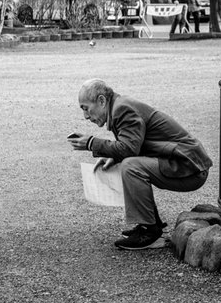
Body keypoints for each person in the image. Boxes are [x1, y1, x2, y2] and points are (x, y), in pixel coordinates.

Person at [69, 79, 212, 250]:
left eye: (86, 108)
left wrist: (93, 143)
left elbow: (129, 150)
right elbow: (135, 145)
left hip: (190, 168)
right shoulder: (118, 106)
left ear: (101, 100)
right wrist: (113, 157)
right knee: (130, 164)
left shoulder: (121, 109)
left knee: (131, 166)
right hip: (185, 163)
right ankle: (152, 225)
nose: (85, 116)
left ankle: (149, 232)